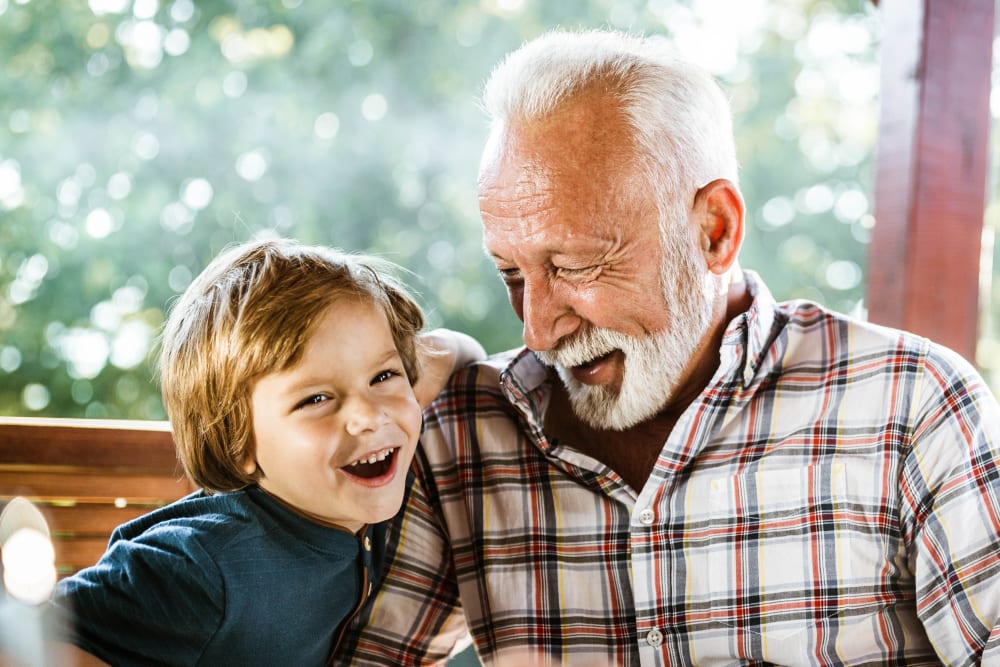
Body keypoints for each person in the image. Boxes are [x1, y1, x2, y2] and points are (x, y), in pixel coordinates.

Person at [336, 29, 1000, 666]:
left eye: (576, 266)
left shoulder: (914, 405)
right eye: (511, 273)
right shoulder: (462, 433)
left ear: (715, 230)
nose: (539, 330)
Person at [43, 238, 485, 666]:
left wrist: (406, 373)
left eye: (383, 375)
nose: (368, 416)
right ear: (240, 447)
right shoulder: (201, 566)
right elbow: (33, 640)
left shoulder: (371, 484)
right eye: (316, 399)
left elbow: (466, 352)